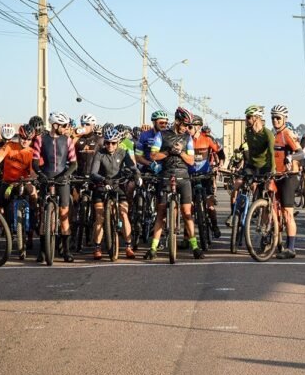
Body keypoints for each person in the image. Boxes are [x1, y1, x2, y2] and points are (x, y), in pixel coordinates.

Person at [146, 107, 200, 259]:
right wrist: (169, 152)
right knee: (161, 214)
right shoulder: (161, 135)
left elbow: (191, 160)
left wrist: (181, 152)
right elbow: (153, 155)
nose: (186, 128)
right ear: (177, 121)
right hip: (166, 176)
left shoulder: (188, 138)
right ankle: (153, 248)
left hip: (183, 177)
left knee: (187, 213)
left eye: (189, 126)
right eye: (184, 124)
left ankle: (195, 247)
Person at [32, 111, 78, 262]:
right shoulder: (40, 139)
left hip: (62, 178)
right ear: (55, 125)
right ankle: (43, 251)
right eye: (63, 125)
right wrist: (40, 174)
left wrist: (65, 176)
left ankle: (66, 251)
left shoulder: (68, 140)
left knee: (64, 214)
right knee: (44, 214)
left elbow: (73, 163)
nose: (65, 128)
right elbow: (35, 162)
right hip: (46, 176)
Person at [0, 124, 38, 256]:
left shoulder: (32, 152)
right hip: (8, 183)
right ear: (19, 136)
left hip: (24, 182)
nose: (25, 141)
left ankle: (35, 216)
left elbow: (34, 170)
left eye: (28, 139)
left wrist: (34, 178)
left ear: (32, 139)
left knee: (34, 193)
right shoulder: (10, 146)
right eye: (22, 138)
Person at [90, 127, 139, 260]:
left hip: (118, 185)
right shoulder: (100, 153)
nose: (110, 145)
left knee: (124, 214)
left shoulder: (123, 152)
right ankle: (97, 247)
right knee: (100, 217)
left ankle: (128, 246)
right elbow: (93, 172)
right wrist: (102, 179)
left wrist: (137, 175)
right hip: (102, 185)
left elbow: (132, 166)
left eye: (113, 143)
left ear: (118, 143)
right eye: (107, 143)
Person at [270, 105, 305, 259]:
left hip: (289, 176)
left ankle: (291, 248)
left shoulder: (286, 134)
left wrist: (290, 157)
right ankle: (272, 236)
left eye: (278, 118)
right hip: (276, 175)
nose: (275, 121)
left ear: (284, 119)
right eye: (273, 118)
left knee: (287, 213)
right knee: (270, 205)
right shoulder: (273, 135)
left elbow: (301, 153)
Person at [188, 115, 226, 238]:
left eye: (190, 126)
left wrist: (220, 164)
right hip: (190, 176)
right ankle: (186, 237)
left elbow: (220, 152)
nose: (188, 129)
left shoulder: (208, 139)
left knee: (209, 205)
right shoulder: (186, 139)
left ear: (198, 127)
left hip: (206, 175)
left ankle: (214, 226)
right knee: (190, 208)